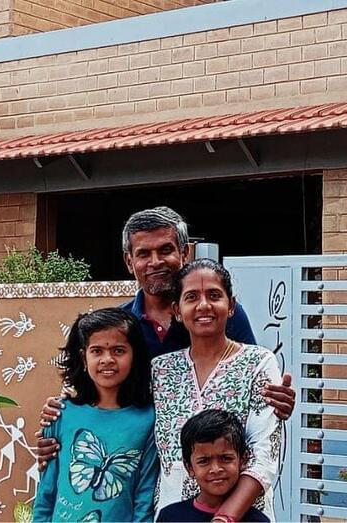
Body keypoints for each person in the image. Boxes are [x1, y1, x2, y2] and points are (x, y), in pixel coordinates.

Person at [38, 207, 295, 464]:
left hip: (214, 467)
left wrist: (274, 401)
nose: (155, 262)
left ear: (184, 253)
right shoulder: (118, 328)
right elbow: (89, 393)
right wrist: (59, 420)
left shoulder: (220, 317)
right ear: (129, 261)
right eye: (143, 254)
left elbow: (251, 385)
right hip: (135, 464)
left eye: (165, 250)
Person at [150, 259, 282, 521]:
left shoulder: (258, 363)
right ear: (177, 310)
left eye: (214, 295)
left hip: (244, 514)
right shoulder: (161, 369)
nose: (203, 305)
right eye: (191, 297)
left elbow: (265, 452)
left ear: (231, 305)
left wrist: (226, 517)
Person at [33, 308, 159, 522]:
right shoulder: (61, 414)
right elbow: (46, 492)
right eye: (97, 351)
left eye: (118, 350)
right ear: (84, 358)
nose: (107, 359)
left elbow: (144, 498)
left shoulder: (148, 420)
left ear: (134, 356)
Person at [157, 410, 270, 522]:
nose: (216, 469)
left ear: (243, 460)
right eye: (204, 461)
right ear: (189, 467)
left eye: (226, 458)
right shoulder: (170, 517)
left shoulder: (257, 520)